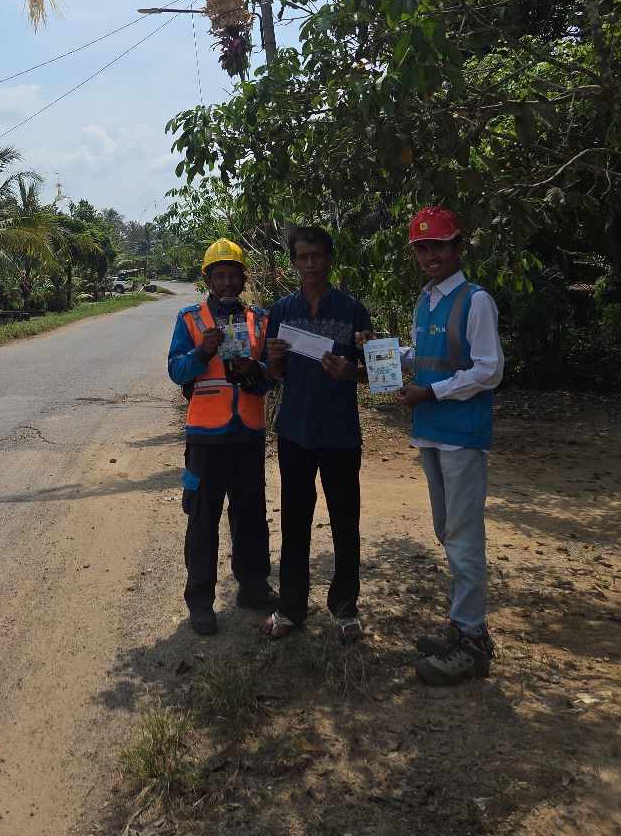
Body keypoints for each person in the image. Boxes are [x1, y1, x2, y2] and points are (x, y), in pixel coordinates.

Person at [391, 206, 504, 685]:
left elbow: (489, 368)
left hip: (459, 432)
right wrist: (388, 354)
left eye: (438, 245)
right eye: (422, 247)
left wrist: (431, 391)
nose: (429, 255)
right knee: (446, 528)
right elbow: (429, 355)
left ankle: (471, 638)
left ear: (458, 247)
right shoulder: (427, 299)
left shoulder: (475, 300)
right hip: (430, 429)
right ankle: (462, 628)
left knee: (462, 532)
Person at [262, 226, 372, 643]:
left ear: (329, 259)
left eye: (316, 256)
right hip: (294, 431)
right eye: (301, 257)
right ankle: (291, 608)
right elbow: (275, 377)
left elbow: (378, 373)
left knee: (345, 521)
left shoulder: (352, 310)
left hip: (341, 433)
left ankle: (345, 609)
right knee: (294, 519)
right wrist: (273, 361)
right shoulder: (282, 311)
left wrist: (352, 372)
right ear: (293, 261)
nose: (309, 265)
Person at [167, 238, 280, 635]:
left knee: (250, 516)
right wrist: (200, 353)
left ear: (243, 278)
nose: (228, 282)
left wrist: (254, 368)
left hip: (247, 433)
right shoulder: (190, 320)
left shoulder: (260, 320)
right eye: (220, 275)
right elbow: (176, 372)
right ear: (208, 279)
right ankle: (200, 601)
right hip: (205, 436)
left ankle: (252, 587)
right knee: (202, 518)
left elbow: (270, 377)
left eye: (234, 275)